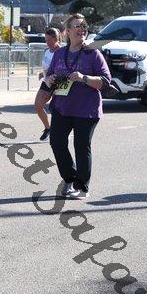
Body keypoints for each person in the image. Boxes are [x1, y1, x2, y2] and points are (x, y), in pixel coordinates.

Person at [44, 13, 111, 200]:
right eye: (77, 26)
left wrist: (84, 78)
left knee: (81, 146)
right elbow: (49, 76)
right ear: (67, 31)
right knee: (57, 142)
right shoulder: (59, 53)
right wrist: (49, 79)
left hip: (86, 109)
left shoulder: (92, 53)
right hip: (61, 107)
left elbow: (106, 80)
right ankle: (70, 179)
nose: (82, 29)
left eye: (84, 26)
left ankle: (82, 187)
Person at [35, 28, 62, 141]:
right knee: (38, 105)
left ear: (55, 39)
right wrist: (43, 73)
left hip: (58, 83)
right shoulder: (47, 50)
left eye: (48, 40)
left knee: (57, 109)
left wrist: (53, 77)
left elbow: (62, 68)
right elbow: (46, 66)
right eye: (45, 40)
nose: (46, 42)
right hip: (46, 81)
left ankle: (61, 131)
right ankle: (48, 128)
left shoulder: (62, 51)